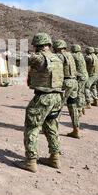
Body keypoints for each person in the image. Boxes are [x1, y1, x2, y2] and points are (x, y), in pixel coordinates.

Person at [14, 33, 64, 173]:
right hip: (56, 97)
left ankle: (30, 161)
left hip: (43, 98)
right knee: (51, 127)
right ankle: (55, 158)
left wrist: (8, 54)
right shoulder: (57, 58)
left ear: (37, 46)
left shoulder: (40, 58)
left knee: (32, 127)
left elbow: (21, 60)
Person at [53, 40, 81, 139]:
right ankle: (76, 129)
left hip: (66, 82)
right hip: (74, 82)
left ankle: (53, 129)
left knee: (58, 106)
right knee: (72, 106)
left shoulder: (59, 56)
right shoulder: (70, 55)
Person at [71, 44, 89, 117]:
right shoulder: (81, 55)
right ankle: (82, 107)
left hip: (80, 76)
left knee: (79, 93)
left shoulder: (74, 55)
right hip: (85, 75)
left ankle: (79, 110)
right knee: (82, 92)